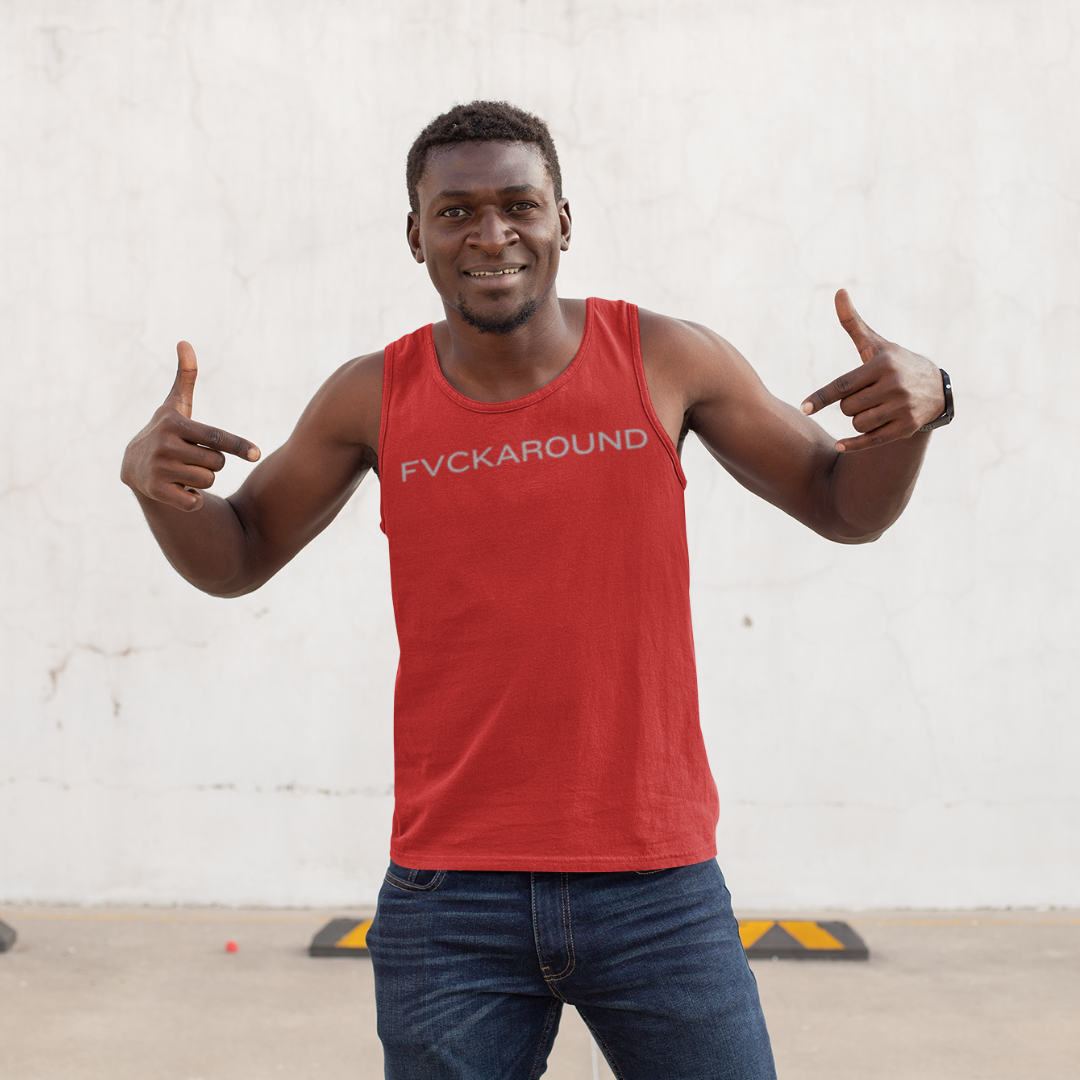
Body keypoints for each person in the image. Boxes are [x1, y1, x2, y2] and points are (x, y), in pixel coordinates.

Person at [121, 101, 952, 1079]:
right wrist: (161, 493)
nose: (491, 235)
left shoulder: (664, 357)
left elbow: (842, 503)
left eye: (519, 205)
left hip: (656, 883)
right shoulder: (370, 395)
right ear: (416, 235)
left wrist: (916, 415)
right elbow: (238, 554)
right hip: (451, 897)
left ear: (563, 221)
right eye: (456, 212)